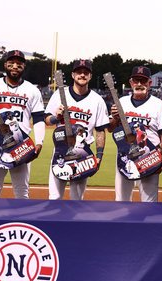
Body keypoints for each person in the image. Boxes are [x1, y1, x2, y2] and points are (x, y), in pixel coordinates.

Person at [0, 50, 45, 199]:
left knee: (22, 192)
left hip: (21, 144)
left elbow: (38, 118)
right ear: (5, 65)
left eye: (19, 64)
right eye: (11, 63)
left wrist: (39, 142)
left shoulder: (32, 90)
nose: (15, 66)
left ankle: (20, 222)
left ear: (23, 66)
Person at [44, 59, 109, 200]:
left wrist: (99, 156)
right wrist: (56, 117)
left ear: (90, 76)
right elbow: (47, 120)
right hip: (60, 151)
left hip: (83, 154)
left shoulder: (97, 100)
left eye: (86, 72)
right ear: (73, 75)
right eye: (79, 72)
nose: (82, 75)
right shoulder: (59, 94)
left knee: (77, 199)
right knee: (54, 197)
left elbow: (100, 131)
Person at [108, 66, 162, 202]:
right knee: (121, 200)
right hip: (124, 156)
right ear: (131, 82)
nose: (139, 84)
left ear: (149, 83)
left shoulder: (159, 105)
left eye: (143, 81)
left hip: (149, 156)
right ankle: (124, 223)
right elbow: (111, 129)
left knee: (149, 201)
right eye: (136, 80)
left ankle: (148, 224)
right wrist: (114, 118)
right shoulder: (122, 102)